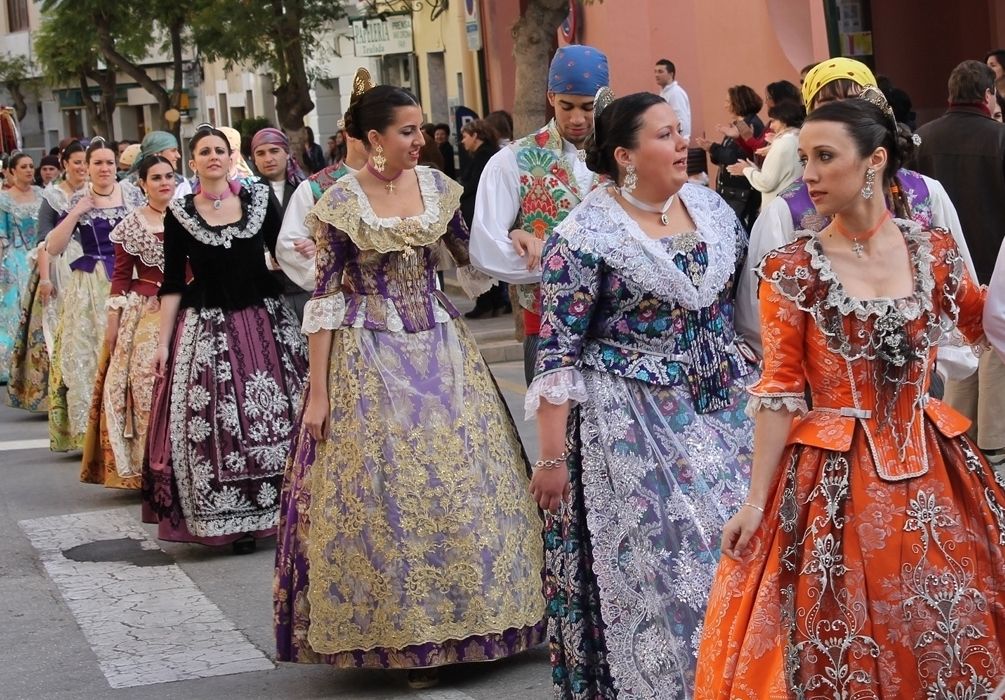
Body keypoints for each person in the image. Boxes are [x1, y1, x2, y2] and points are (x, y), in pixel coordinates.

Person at [694, 95, 1005, 699]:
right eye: (804, 157)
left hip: (934, 470)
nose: (807, 173)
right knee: (840, 636)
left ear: (875, 161)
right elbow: (780, 391)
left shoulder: (933, 250)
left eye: (824, 157)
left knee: (946, 630)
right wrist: (756, 503)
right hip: (834, 481)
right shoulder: (792, 269)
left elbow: (984, 323)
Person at [273, 83, 544, 690]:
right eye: (408, 131)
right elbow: (324, 302)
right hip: (369, 354)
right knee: (391, 490)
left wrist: (523, 244)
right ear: (374, 139)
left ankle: (485, 623)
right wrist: (317, 395)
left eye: (421, 129)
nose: (421, 140)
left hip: (442, 348)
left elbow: (475, 259)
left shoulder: (439, 191)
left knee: (467, 480)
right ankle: (411, 639)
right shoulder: (339, 203)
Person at [530, 88, 756, 699]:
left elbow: (741, 316)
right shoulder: (582, 236)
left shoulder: (711, 211)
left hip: (727, 409)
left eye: (680, 131)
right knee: (674, 567)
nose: (683, 143)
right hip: (631, 422)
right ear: (625, 155)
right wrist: (551, 458)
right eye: (664, 135)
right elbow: (557, 353)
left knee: (746, 556)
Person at [734, 57, 975, 363]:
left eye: (855, 100)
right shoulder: (786, 212)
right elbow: (761, 325)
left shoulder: (926, 195)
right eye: (829, 104)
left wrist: (935, 367)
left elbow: (961, 298)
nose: (844, 114)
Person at [143, 126, 307, 552]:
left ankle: (286, 509)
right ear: (192, 162)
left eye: (220, 150)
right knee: (217, 420)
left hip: (266, 320)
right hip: (208, 324)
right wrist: (162, 344)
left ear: (231, 158)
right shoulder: (179, 213)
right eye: (204, 152)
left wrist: (315, 256)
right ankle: (232, 518)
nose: (213, 156)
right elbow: (173, 282)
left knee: (281, 412)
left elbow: (284, 249)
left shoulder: (257, 199)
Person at [470, 44, 609, 384]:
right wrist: (551, 260)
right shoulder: (513, 160)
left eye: (588, 107)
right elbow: (485, 246)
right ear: (550, 97)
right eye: (567, 106)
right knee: (555, 433)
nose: (577, 118)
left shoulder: (624, 156)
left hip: (616, 326)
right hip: (546, 326)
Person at [915, 60, 1005, 464]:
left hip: (940, 260)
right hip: (991, 254)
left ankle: (957, 436)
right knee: (991, 353)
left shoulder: (922, 138)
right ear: (988, 94)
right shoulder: (1000, 138)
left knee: (957, 352)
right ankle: (991, 443)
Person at [80, 155, 177, 489]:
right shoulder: (131, 225)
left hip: (191, 304)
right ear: (142, 184)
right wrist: (113, 322)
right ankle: (150, 465)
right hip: (146, 307)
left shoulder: (191, 217)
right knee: (144, 380)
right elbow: (121, 277)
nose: (164, 183)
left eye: (169, 176)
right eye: (156, 178)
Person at [44, 138, 145, 451]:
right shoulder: (78, 198)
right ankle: (97, 432)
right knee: (91, 356)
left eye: (109, 163)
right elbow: (53, 246)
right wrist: (77, 211)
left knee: (131, 354)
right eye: (97, 163)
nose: (104, 168)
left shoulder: (132, 195)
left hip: (131, 279)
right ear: (86, 168)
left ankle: (133, 426)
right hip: (91, 285)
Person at [275, 67, 375, 295]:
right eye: (370, 133)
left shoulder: (405, 182)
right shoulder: (317, 188)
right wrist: (334, 275)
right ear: (349, 134)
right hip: (347, 304)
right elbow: (290, 246)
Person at [9, 142, 87, 413]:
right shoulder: (53, 196)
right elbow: (44, 239)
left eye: (86, 162)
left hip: (91, 269)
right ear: (65, 164)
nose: (82, 168)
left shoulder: (97, 193)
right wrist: (45, 278)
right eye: (77, 162)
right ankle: (61, 395)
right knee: (58, 331)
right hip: (59, 265)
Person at [250, 127, 309, 320]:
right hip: (268, 291)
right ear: (254, 159)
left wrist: (313, 245)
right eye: (261, 153)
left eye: (274, 151)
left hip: (306, 287)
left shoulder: (307, 190)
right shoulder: (247, 197)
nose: (268, 158)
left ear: (287, 153)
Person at [694, 85, 765, 231]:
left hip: (741, 190)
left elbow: (737, 157)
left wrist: (713, 148)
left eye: (728, 101)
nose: (725, 105)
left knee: (736, 230)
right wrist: (712, 150)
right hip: (731, 188)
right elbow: (725, 153)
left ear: (738, 102)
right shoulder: (738, 124)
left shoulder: (750, 125)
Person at [0, 153, 43, 385]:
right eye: (23, 167)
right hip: (15, 257)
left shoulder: (42, 195)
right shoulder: (4, 199)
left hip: (40, 255)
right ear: (12, 171)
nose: (29, 170)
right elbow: (1, 234)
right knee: (14, 312)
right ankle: (11, 364)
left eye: (30, 166)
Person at [459, 119, 509, 319]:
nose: (463, 142)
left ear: (475, 135)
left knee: (482, 257)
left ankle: (488, 301)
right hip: (481, 211)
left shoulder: (484, 157)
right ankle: (494, 301)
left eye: (465, 136)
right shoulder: (484, 155)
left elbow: (475, 186)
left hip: (480, 213)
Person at [726, 100, 805, 206]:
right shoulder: (799, 139)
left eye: (773, 121)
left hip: (780, 208)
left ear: (784, 120)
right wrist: (755, 169)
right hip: (795, 203)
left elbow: (766, 183)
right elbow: (781, 176)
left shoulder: (782, 144)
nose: (771, 126)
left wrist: (746, 170)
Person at [127, 131, 191, 198]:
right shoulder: (127, 186)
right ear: (157, 154)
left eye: (169, 177)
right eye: (173, 150)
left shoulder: (182, 183)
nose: (178, 155)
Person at [654, 58, 691, 141]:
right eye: (655, 71)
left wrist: (682, 140)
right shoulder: (664, 93)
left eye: (660, 71)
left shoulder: (675, 93)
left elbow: (682, 120)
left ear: (671, 74)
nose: (656, 75)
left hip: (676, 142)